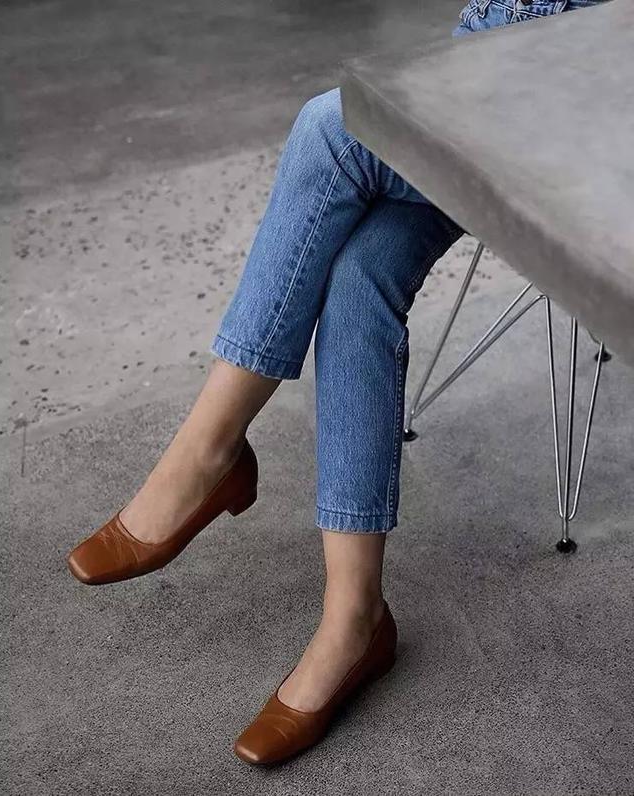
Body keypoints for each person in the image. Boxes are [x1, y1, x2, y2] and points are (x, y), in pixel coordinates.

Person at [67, 0, 608, 766]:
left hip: (581, 99)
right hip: (488, 58)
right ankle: (355, 620)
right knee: (357, 278)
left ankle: (209, 452)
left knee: (333, 126)